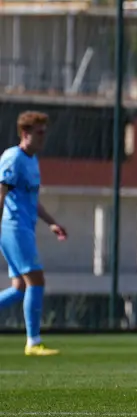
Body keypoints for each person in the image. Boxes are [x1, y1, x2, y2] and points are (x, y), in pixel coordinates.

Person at [0, 111, 68, 356]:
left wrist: (51, 223)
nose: (43, 138)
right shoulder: (12, 158)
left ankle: (33, 340)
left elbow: (32, 201)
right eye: (39, 133)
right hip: (13, 227)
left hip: (25, 228)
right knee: (36, 281)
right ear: (25, 133)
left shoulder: (32, 160)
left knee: (19, 289)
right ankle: (33, 342)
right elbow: (1, 195)